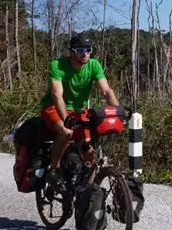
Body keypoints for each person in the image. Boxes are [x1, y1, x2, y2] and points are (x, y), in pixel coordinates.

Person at [40, 33, 119, 177]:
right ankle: (55, 169)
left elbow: (106, 90)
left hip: (79, 110)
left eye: (88, 50)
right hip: (53, 107)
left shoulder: (94, 65)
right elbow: (56, 94)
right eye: (80, 50)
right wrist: (65, 118)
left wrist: (117, 110)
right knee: (66, 133)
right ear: (71, 52)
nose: (85, 54)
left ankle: (85, 178)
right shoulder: (57, 65)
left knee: (88, 144)